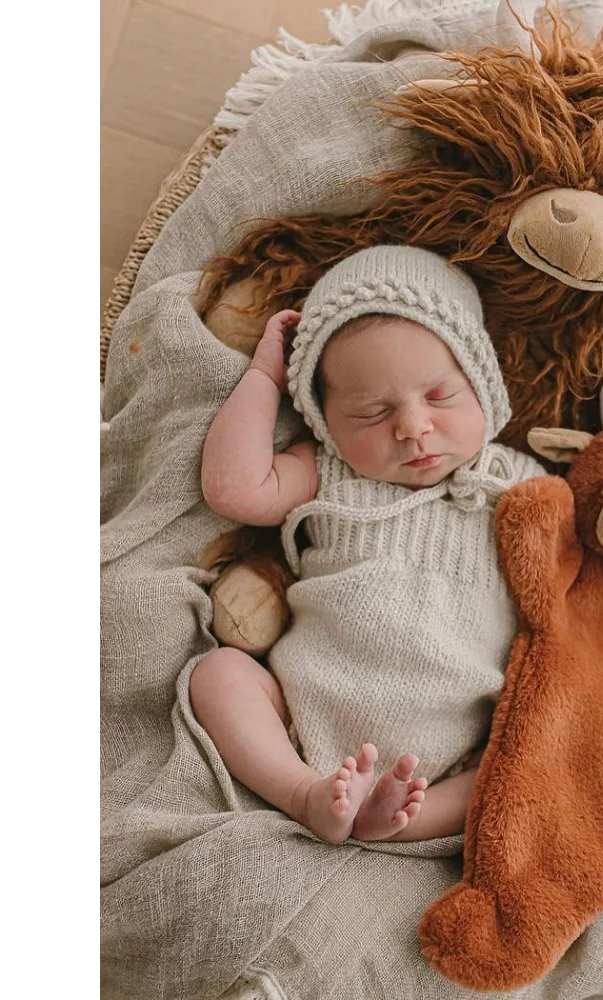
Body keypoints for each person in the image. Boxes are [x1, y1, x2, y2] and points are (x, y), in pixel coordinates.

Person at [191, 245, 545, 845]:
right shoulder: (328, 472)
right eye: (372, 412)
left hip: (454, 751)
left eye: (439, 397)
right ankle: (302, 792)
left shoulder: (522, 483)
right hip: (301, 717)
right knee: (218, 675)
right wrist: (263, 378)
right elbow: (233, 487)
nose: (412, 427)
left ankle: (399, 822)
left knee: (525, 759)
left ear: (483, 383)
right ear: (325, 422)